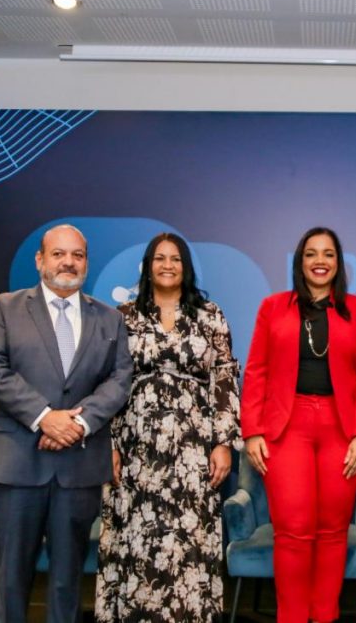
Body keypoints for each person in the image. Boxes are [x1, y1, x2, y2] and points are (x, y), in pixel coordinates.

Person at [0, 223, 132, 623]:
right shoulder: (4, 308)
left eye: (77, 255)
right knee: (12, 577)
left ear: (86, 263)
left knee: (67, 581)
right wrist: (45, 418)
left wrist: (79, 424)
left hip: (78, 467)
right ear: (40, 259)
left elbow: (119, 380)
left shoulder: (110, 319)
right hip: (16, 464)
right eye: (59, 253)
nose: (68, 262)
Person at [95, 232, 240, 622]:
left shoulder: (210, 314)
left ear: (186, 266)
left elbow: (225, 378)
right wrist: (110, 442)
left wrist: (223, 442)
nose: (167, 265)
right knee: (137, 539)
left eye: (175, 259)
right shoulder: (123, 316)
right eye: (159, 258)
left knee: (188, 540)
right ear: (147, 266)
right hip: (135, 448)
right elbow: (108, 382)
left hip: (194, 450)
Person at [241, 226, 356, 623]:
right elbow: (256, 371)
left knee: (333, 532)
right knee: (292, 532)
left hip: (342, 430)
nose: (320, 261)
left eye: (328, 254)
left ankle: (325, 616)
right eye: (311, 253)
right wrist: (252, 431)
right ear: (300, 262)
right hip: (286, 429)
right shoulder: (272, 307)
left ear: (338, 263)